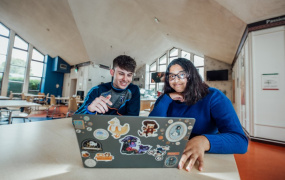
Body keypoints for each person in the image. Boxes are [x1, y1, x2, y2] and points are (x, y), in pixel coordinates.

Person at [149, 58, 248, 172]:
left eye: (181, 75)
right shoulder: (165, 98)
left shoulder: (214, 96)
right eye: (171, 76)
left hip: (203, 160)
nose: (176, 80)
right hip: (166, 157)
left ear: (192, 75)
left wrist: (204, 141)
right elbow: (152, 130)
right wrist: (166, 99)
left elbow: (240, 141)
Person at [75, 55, 140, 116]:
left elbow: (133, 119)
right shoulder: (97, 90)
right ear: (112, 72)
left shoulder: (133, 90)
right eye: (121, 74)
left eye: (129, 75)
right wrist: (89, 110)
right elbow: (76, 118)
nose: (125, 79)